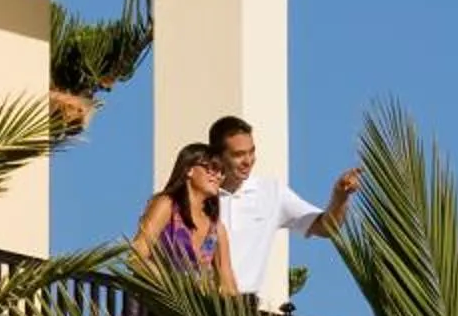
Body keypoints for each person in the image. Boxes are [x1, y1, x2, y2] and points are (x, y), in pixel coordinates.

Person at [208, 114, 359, 304]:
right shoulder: (198, 193)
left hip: (243, 311)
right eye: (238, 155)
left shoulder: (272, 192)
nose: (248, 160)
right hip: (194, 307)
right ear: (217, 156)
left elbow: (326, 228)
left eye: (251, 152)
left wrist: (340, 197)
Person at [131, 142, 239, 296]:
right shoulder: (167, 205)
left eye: (222, 171)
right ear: (189, 170)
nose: (218, 175)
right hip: (152, 309)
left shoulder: (216, 230)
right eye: (212, 168)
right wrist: (174, 285)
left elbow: (228, 285)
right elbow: (136, 256)